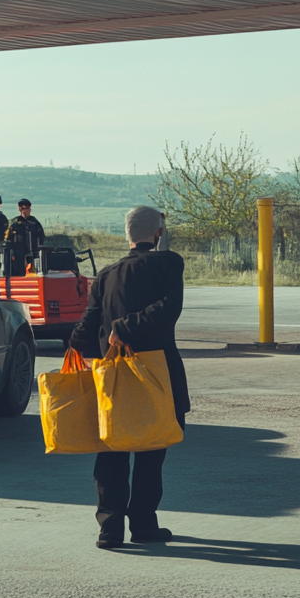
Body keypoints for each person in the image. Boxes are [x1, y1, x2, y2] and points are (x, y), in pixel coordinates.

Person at [69, 205, 189, 550]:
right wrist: (126, 327)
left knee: (112, 450)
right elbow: (169, 309)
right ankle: (144, 524)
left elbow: (90, 323)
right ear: (158, 233)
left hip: (114, 377)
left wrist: (76, 342)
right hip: (156, 372)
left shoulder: (106, 274)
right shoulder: (168, 263)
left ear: (127, 235)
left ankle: (109, 528)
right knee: (152, 451)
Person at [4, 199, 45, 277]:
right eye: (24, 208)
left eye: (28, 208)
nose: (27, 211)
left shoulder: (34, 222)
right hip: (18, 254)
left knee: (34, 274)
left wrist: (39, 247)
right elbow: (8, 239)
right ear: (20, 209)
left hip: (33, 253)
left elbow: (41, 236)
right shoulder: (14, 223)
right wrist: (12, 253)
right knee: (18, 274)